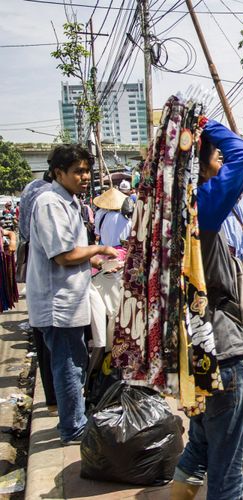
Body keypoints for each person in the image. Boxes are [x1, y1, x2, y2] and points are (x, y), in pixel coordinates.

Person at [171, 117, 243, 500]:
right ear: (198, 162)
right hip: (222, 349)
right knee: (228, 472)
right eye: (215, 157)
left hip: (192, 352)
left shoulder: (159, 214)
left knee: (200, 449)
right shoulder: (197, 209)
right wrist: (207, 125)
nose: (222, 163)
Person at [26, 144, 119, 444]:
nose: (85, 176)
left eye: (86, 170)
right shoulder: (51, 203)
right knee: (68, 365)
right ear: (58, 173)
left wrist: (98, 261)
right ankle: (73, 428)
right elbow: (64, 256)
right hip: (58, 303)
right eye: (77, 171)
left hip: (70, 299)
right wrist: (101, 248)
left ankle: (74, 420)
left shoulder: (68, 202)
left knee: (75, 361)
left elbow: (73, 251)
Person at [18, 175, 55, 408]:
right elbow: (62, 254)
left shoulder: (31, 190)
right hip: (50, 283)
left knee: (46, 345)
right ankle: (56, 403)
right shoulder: (49, 199)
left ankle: (53, 400)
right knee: (56, 350)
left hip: (38, 275)